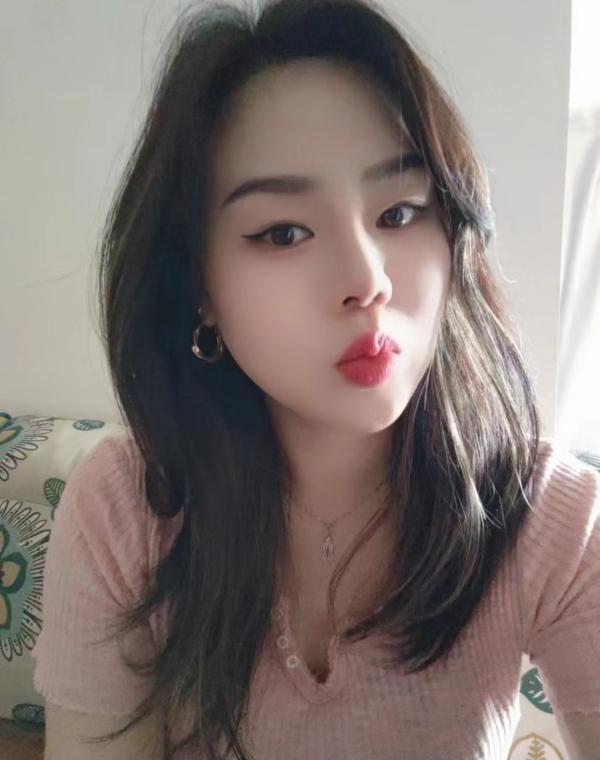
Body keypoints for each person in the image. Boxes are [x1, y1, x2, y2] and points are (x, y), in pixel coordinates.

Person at [31, 0, 600, 758]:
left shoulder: (548, 516)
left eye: (400, 213)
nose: (367, 281)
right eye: (284, 232)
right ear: (200, 286)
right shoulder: (128, 509)